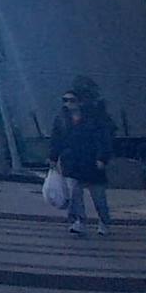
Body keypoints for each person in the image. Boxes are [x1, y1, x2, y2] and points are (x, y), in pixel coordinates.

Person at [49, 79, 115, 237]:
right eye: (65, 100)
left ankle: (104, 222)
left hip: (91, 162)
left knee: (99, 198)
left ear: (80, 102)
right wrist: (52, 157)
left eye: (71, 100)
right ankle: (79, 222)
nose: (68, 104)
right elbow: (56, 139)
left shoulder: (93, 119)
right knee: (75, 196)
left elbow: (103, 139)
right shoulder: (61, 119)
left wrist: (102, 158)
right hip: (72, 163)